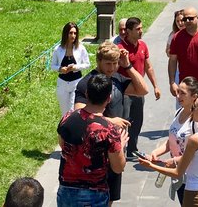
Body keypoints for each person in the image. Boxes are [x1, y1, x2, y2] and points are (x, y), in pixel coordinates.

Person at [74, 41, 148, 204]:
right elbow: (79, 115)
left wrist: (127, 66)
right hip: (95, 148)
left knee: (111, 195)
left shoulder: (118, 79)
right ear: (98, 61)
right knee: (94, 195)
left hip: (116, 145)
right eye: (108, 63)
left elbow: (143, 90)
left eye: (115, 63)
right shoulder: (87, 83)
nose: (112, 68)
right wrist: (109, 121)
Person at [139, 93, 198, 207]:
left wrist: (151, 166)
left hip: (196, 196)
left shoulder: (195, 139)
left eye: (195, 107)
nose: (192, 110)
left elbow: (177, 173)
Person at [57, 74, 128, 207]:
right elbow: (118, 168)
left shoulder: (67, 118)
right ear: (109, 98)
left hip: (65, 190)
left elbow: (62, 144)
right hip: (93, 193)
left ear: (87, 93)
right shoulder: (109, 130)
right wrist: (121, 146)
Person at [149, 76, 198, 204]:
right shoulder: (178, 112)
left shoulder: (196, 121)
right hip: (178, 174)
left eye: (183, 93)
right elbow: (172, 140)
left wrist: (174, 160)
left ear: (194, 96)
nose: (178, 96)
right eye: (178, 91)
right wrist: (156, 152)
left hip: (191, 177)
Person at [117, 17, 161, 159]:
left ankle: (132, 149)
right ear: (128, 31)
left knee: (137, 120)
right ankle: (119, 150)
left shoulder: (143, 46)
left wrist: (155, 86)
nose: (141, 31)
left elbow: (148, 67)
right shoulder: (120, 49)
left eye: (141, 28)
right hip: (125, 91)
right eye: (138, 29)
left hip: (139, 90)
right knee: (124, 121)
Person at [51, 22, 90, 117]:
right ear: (65, 34)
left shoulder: (81, 48)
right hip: (62, 83)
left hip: (76, 83)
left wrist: (76, 67)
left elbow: (87, 64)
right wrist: (60, 69)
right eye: (70, 33)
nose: (73, 35)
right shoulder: (58, 49)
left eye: (75, 33)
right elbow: (53, 66)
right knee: (64, 112)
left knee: (74, 110)